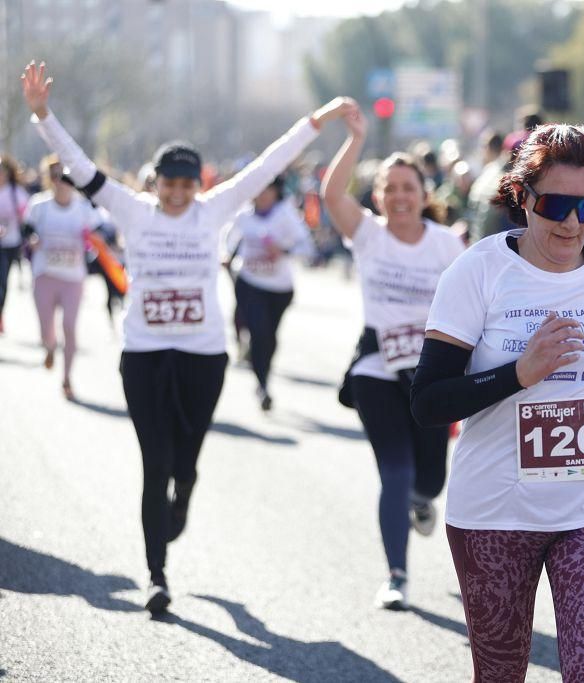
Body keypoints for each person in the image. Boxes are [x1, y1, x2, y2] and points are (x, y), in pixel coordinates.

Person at [22, 60, 348, 614]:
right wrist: (43, 115)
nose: (176, 194)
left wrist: (317, 120)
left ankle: (186, 495)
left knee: (187, 460)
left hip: (203, 355)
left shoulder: (216, 209)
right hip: (145, 355)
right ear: (155, 183)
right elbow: (79, 166)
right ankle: (156, 575)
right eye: (168, 184)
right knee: (155, 461)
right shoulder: (133, 210)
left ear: (200, 185)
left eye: (186, 185)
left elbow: (271, 163)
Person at [409, 123, 584, 681]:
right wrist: (519, 374)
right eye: (556, 204)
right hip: (496, 509)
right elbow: (428, 401)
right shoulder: (479, 271)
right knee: (501, 672)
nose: (571, 222)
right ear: (522, 199)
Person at [319, 99, 464, 610]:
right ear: (378, 197)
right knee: (395, 472)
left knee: (429, 479)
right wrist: (355, 140)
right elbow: (330, 193)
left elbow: (474, 311)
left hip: (430, 378)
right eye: (390, 188)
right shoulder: (368, 236)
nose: (400, 196)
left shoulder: (448, 246)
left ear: (425, 195)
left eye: (409, 188)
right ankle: (397, 576)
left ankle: (422, 502)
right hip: (375, 370)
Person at [225, 176, 314, 411]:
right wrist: (227, 257)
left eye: (268, 190)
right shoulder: (243, 215)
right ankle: (262, 383)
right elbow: (228, 242)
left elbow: (307, 247)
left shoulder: (285, 214)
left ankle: (263, 371)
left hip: (279, 289)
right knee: (258, 332)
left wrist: (282, 250)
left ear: (276, 192)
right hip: (249, 283)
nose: (262, 194)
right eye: (258, 189)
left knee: (269, 336)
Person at [22, 157, 101, 399]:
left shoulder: (84, 209)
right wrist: (32, 239)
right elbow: (27, 228)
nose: (62, 182)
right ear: (50, 179)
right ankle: (49, 346)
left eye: (67, 177)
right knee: (47, 330)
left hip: (72, 277)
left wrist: (95, 245)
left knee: (69, 326)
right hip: (45, 274)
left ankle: (67, 378)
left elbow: (100, 234)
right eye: (56, 176)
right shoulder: (39, 205)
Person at [0, 155, 30, 334]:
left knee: (3, 282)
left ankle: (0, 312)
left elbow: (26, 215)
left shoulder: (15, 192)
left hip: (9, 244)